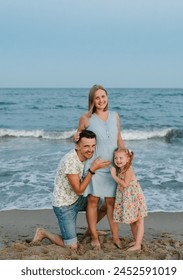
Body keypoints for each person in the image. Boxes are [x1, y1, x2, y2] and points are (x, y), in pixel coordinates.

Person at [33, 130, 111, 249]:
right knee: (72, 247)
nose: (90, 150)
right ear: (77, 146)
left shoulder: (86, 155)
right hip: (64, 205)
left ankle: (90, 231)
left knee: (105, 205)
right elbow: (79, 190)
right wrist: (93, 169)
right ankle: (43, 233)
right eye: (86, 146)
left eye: (93, 146)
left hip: (77, 199)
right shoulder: (71, 161)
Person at [74, 84, 125, 249]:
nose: (101, 100)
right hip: (95, 166)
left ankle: (116, 237)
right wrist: (74, 137)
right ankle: (94, 236)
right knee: (93, 201)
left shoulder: (115, 116)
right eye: (97, 97)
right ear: (92, 100)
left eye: (103, 96)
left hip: (112, 167)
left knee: (111, 203)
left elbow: (119, 139)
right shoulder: (86, 118)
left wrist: (125, 158)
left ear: (107, 98)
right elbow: (78, 141)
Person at [110, 148, 148, 251]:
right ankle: (137, 240)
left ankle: (138, 245)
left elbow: (125, 184)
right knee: (132, 221)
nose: (118, 160)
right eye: (116, 158)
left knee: (139, 222)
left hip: (134, 198)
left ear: (127, 159)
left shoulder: (129, 169)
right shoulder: (121, 169)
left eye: (121, 158)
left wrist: (113, 176)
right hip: (128, 198)